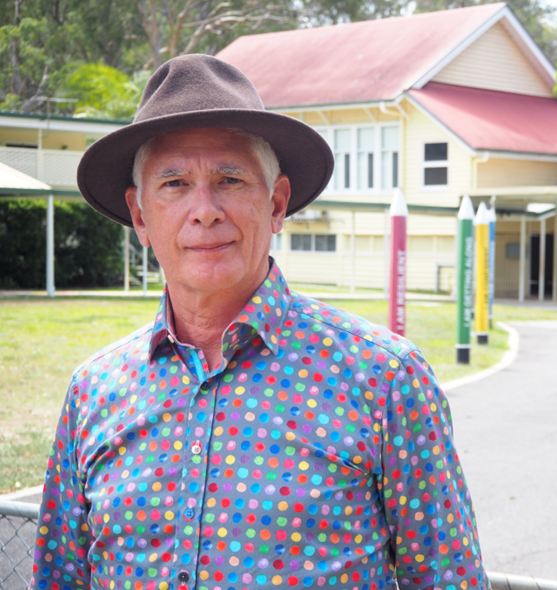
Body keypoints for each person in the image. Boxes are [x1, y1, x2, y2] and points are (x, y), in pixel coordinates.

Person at [31, 54, 489, 590]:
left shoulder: (384, 380)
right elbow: (59, 578)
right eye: (174, 183)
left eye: (230, 179)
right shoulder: (94, 391)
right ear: (140, 216)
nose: (204, 209)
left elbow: (448, 579)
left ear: (276, 203)